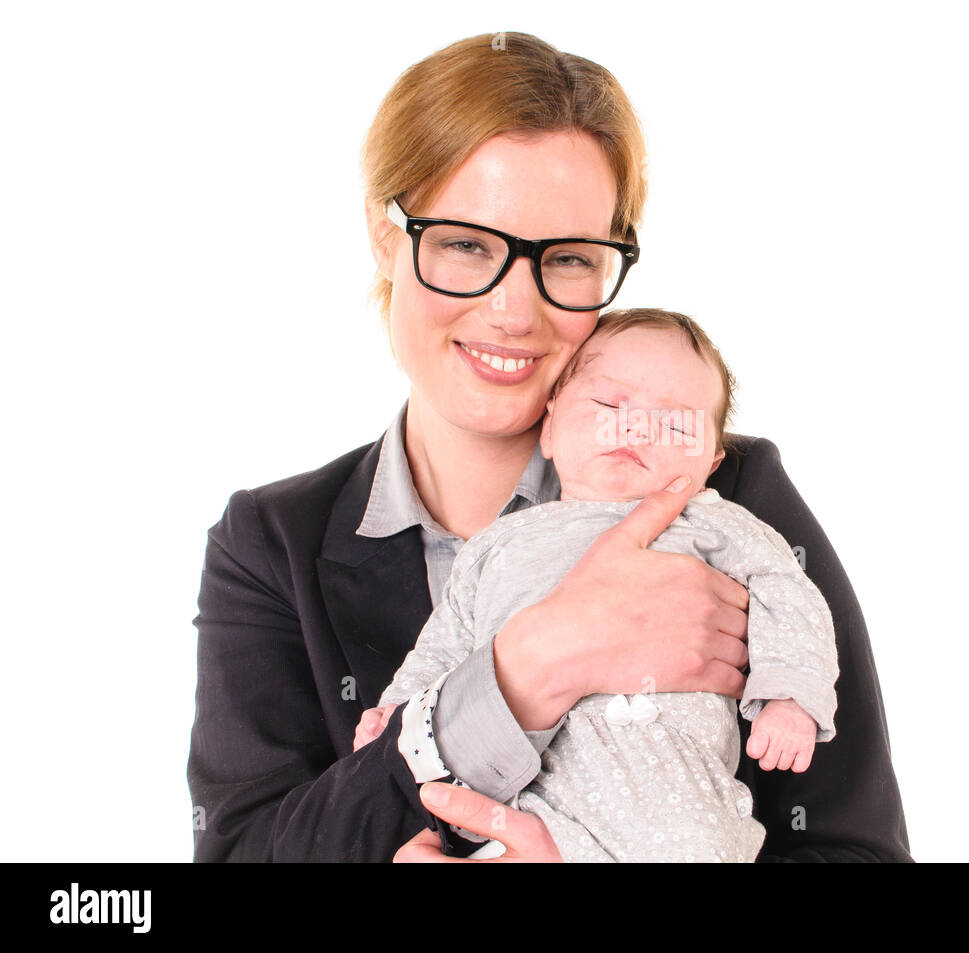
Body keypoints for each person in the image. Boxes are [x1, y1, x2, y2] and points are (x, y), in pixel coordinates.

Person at [188, 31, 911, 863]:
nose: (512, 310)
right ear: (385, 237)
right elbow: (243, 852)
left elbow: (858, 852)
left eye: (566, 259)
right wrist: (527, 667)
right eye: (465, 243)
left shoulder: (730, 492)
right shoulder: (271, 543)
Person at [354, 310, 839, 862]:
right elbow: (446, 641)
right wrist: (396, 711)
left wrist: (790, 697)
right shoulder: (497, 544)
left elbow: (790, 595)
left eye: (677, 426)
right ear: (552, 426)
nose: (636, 428)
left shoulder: (713, 523)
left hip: (676, 806)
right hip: (524, 801)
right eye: (608, 406)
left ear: (710, 462)